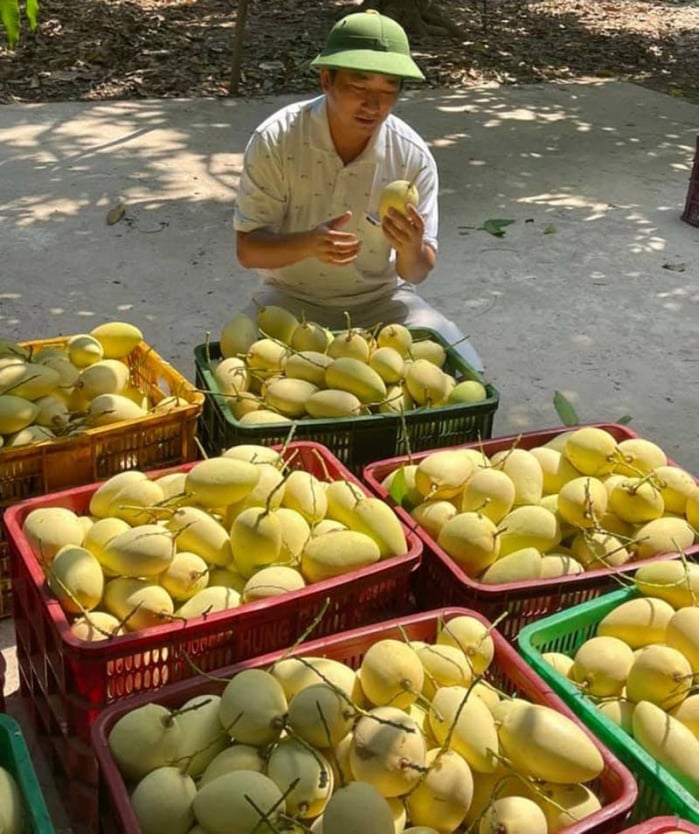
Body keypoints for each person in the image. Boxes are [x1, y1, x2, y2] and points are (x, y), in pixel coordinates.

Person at [233, 9, 484, 372]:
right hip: (287, 301)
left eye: (388, 90)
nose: (374, 105)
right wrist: (309, 243)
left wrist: (411, 248)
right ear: (326, 80)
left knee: (466, 369)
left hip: (382, 303)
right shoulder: (276, 140)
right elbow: (248, 250)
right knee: (236, 373)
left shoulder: (411, 157)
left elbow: (415, 273)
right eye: (358, 87)